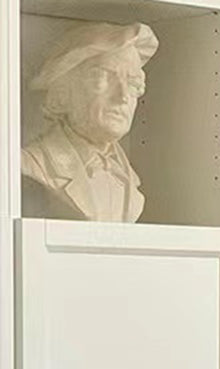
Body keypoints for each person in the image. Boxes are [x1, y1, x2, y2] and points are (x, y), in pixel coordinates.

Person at [21, 23, 158, 222]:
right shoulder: (29, 165)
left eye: (132, 84)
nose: (122, 97)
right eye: (103, 78)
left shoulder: (128, 180)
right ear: (62, 93)